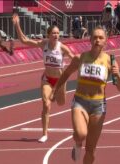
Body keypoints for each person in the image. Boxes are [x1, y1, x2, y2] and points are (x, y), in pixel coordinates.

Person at [53, 26, 120, 164]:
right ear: (90, 39)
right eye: (95, 37)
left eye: (101, 37)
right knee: (80, 133)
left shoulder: (110, 61)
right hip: (80, 101)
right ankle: (77, 143)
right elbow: (66, 73)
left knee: (91, 150)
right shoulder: (80, 58)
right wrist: (56, 90)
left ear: (106, 41)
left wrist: (118, 75)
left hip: (98, 106)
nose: (97, 40)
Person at [12, 13, 74, 143]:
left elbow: (75, 59)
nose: (56, 35)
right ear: (48, 35)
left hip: (60, 80)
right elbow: (24, 40)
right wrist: (17, 24)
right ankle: (45, 133)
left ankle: (55, 94)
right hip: (47, 79)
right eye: (54, 33)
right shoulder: (43, 44)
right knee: (46, 105)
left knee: (61, 103)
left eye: (58, 33)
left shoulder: (62, 48)